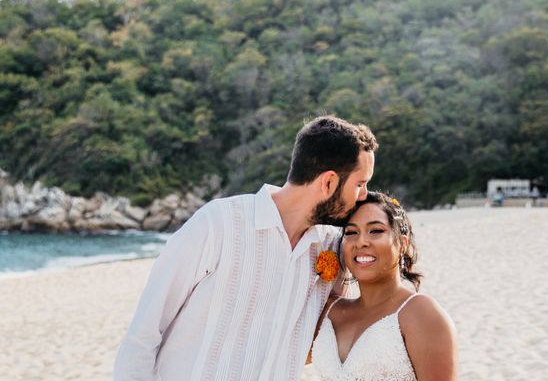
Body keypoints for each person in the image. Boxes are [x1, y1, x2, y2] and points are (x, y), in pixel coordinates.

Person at [113, 115, 378, 380]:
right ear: (328, 182)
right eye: (360, 184)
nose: (364, 196)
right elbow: (143, 335)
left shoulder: (335, 246)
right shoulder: (217, 224)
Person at [311, 192, 457, 380]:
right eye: (351, 233)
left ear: (402, 244)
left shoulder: (421, 314)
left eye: (376, 231)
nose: (361, 242)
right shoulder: (329, 311)